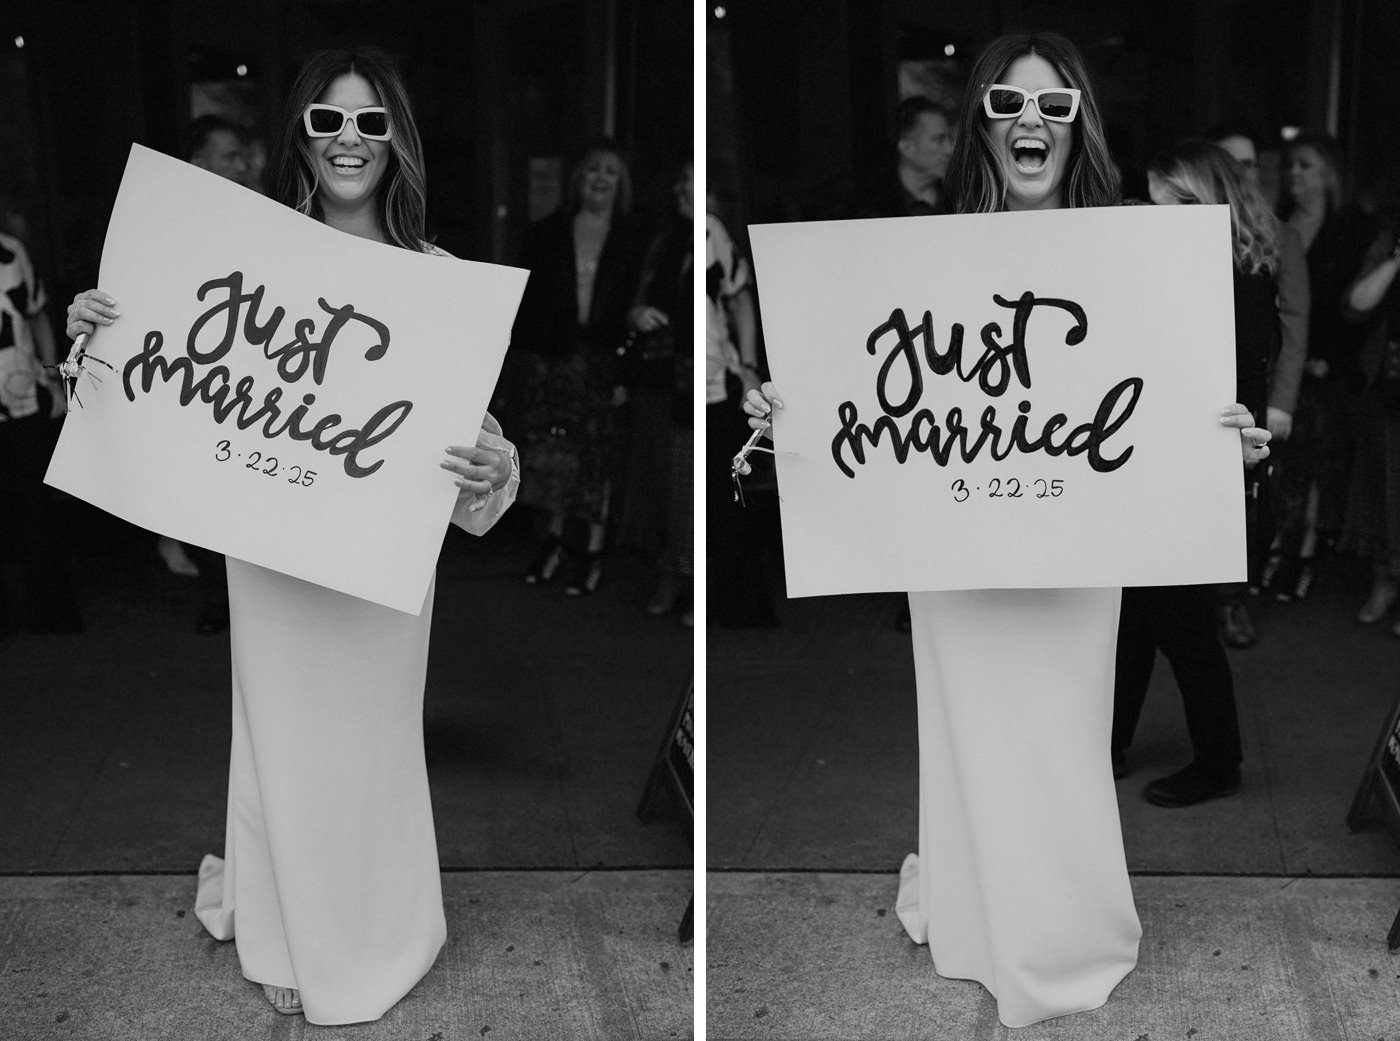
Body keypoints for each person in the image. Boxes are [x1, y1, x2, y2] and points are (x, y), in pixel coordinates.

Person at [743, 32, 1272, 1027]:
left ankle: (1056, 924)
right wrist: (790, 405)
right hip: (952, 550)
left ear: (1079, 125)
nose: (1031, 121)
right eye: (1008, 103)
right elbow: (860, 386)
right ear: (981, 122)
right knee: (968, 728)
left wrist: (1224, 438)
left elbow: (1166, 394)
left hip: (1079, 545)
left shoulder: (1128, 247)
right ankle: (973, 908)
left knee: (1061, 732)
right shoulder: (916, 252)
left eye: (1054, 105)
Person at [64, 46, 519, 1024]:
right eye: (327, 120)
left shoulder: (439, 278)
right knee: (279, 735)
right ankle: (279, 927)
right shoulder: (247, 253)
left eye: (370, 122)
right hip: (269, 549)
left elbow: (471, 454)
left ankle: (376, 928)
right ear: (300, 137)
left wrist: (495, 470)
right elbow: (153, 374)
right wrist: (95, 328)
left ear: (397, 140)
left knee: (371, 743)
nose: (349, 140)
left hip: (379, 567)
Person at [1112, 140, 1280, 808]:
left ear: (1217, 202)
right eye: (1156, 203)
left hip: (1195, 470)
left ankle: (1217, 760)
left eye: (1180, 202)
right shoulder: (1186, 270)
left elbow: (1235, 388)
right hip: (1158, 465)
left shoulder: (1238, 280)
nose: (1165, 216)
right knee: (1134, 613)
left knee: (1176, 620)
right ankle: (1112, 743)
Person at [504, 142, 642, 595]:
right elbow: (526, 304)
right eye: (593, 169)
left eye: (611, 172)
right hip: (556, 358)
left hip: (605, 361)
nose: (601, 178)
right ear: (579, 178)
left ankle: (595, 550)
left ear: (621, 185)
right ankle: (556, 540)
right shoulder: (546, 232)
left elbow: (637, 307)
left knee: (597, 456)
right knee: (556, 453)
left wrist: (626, 372)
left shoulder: (634, 238)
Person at [1208, 122, 1310, 647]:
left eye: (1250, 163)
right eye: (1232, 162)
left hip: (1251, 390)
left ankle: (1232, 602)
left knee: (1244, 502)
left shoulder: (1279, 234)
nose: (1243, 172)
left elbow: (1294, 322)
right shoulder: (1184, 224)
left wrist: (1281, 403)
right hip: (1195, 384)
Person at [1267, 134, 1377, 602]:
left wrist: (1329, 358)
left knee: (1317, 462)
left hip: (1332, 366)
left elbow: (1356, 308)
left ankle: (1304, 551)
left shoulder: (1354, 230)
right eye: (1290, 165)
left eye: (1306, 165)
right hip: (1282, 360)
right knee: (1279, 462)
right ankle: (1276, 546)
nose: (1294, 174)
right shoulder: (1274, 223)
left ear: (1328, 172)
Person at [623, 160, 695, 626]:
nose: (681, 188)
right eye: (681, 179)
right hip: (658, 378)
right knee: (661, 483)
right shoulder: (664, 242)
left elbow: (738, 302)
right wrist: (637, 315)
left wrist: (747, 367)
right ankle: (670, 573)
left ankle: (691, 582)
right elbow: (637, 299)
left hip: (701, 381)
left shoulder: (717, 239)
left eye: (691, 180)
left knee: (690, 486)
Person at [0, 222, 80, 635]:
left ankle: (51, 612)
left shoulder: (10, 250)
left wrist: (52, 378)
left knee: (36, 509)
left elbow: (36, 315)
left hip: (24, 398)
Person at [1340, 218, 1400, 630]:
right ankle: (1385, 580)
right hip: (1388, 385)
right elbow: (1355, 307)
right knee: (1383, 489)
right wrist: (1396, 258)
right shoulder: (1388, 238)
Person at [851, 96, 956, 218]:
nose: (950, 150)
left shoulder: (959, 199)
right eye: (939, 140)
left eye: (949, 139)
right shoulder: (870, 207)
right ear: (906, 147)